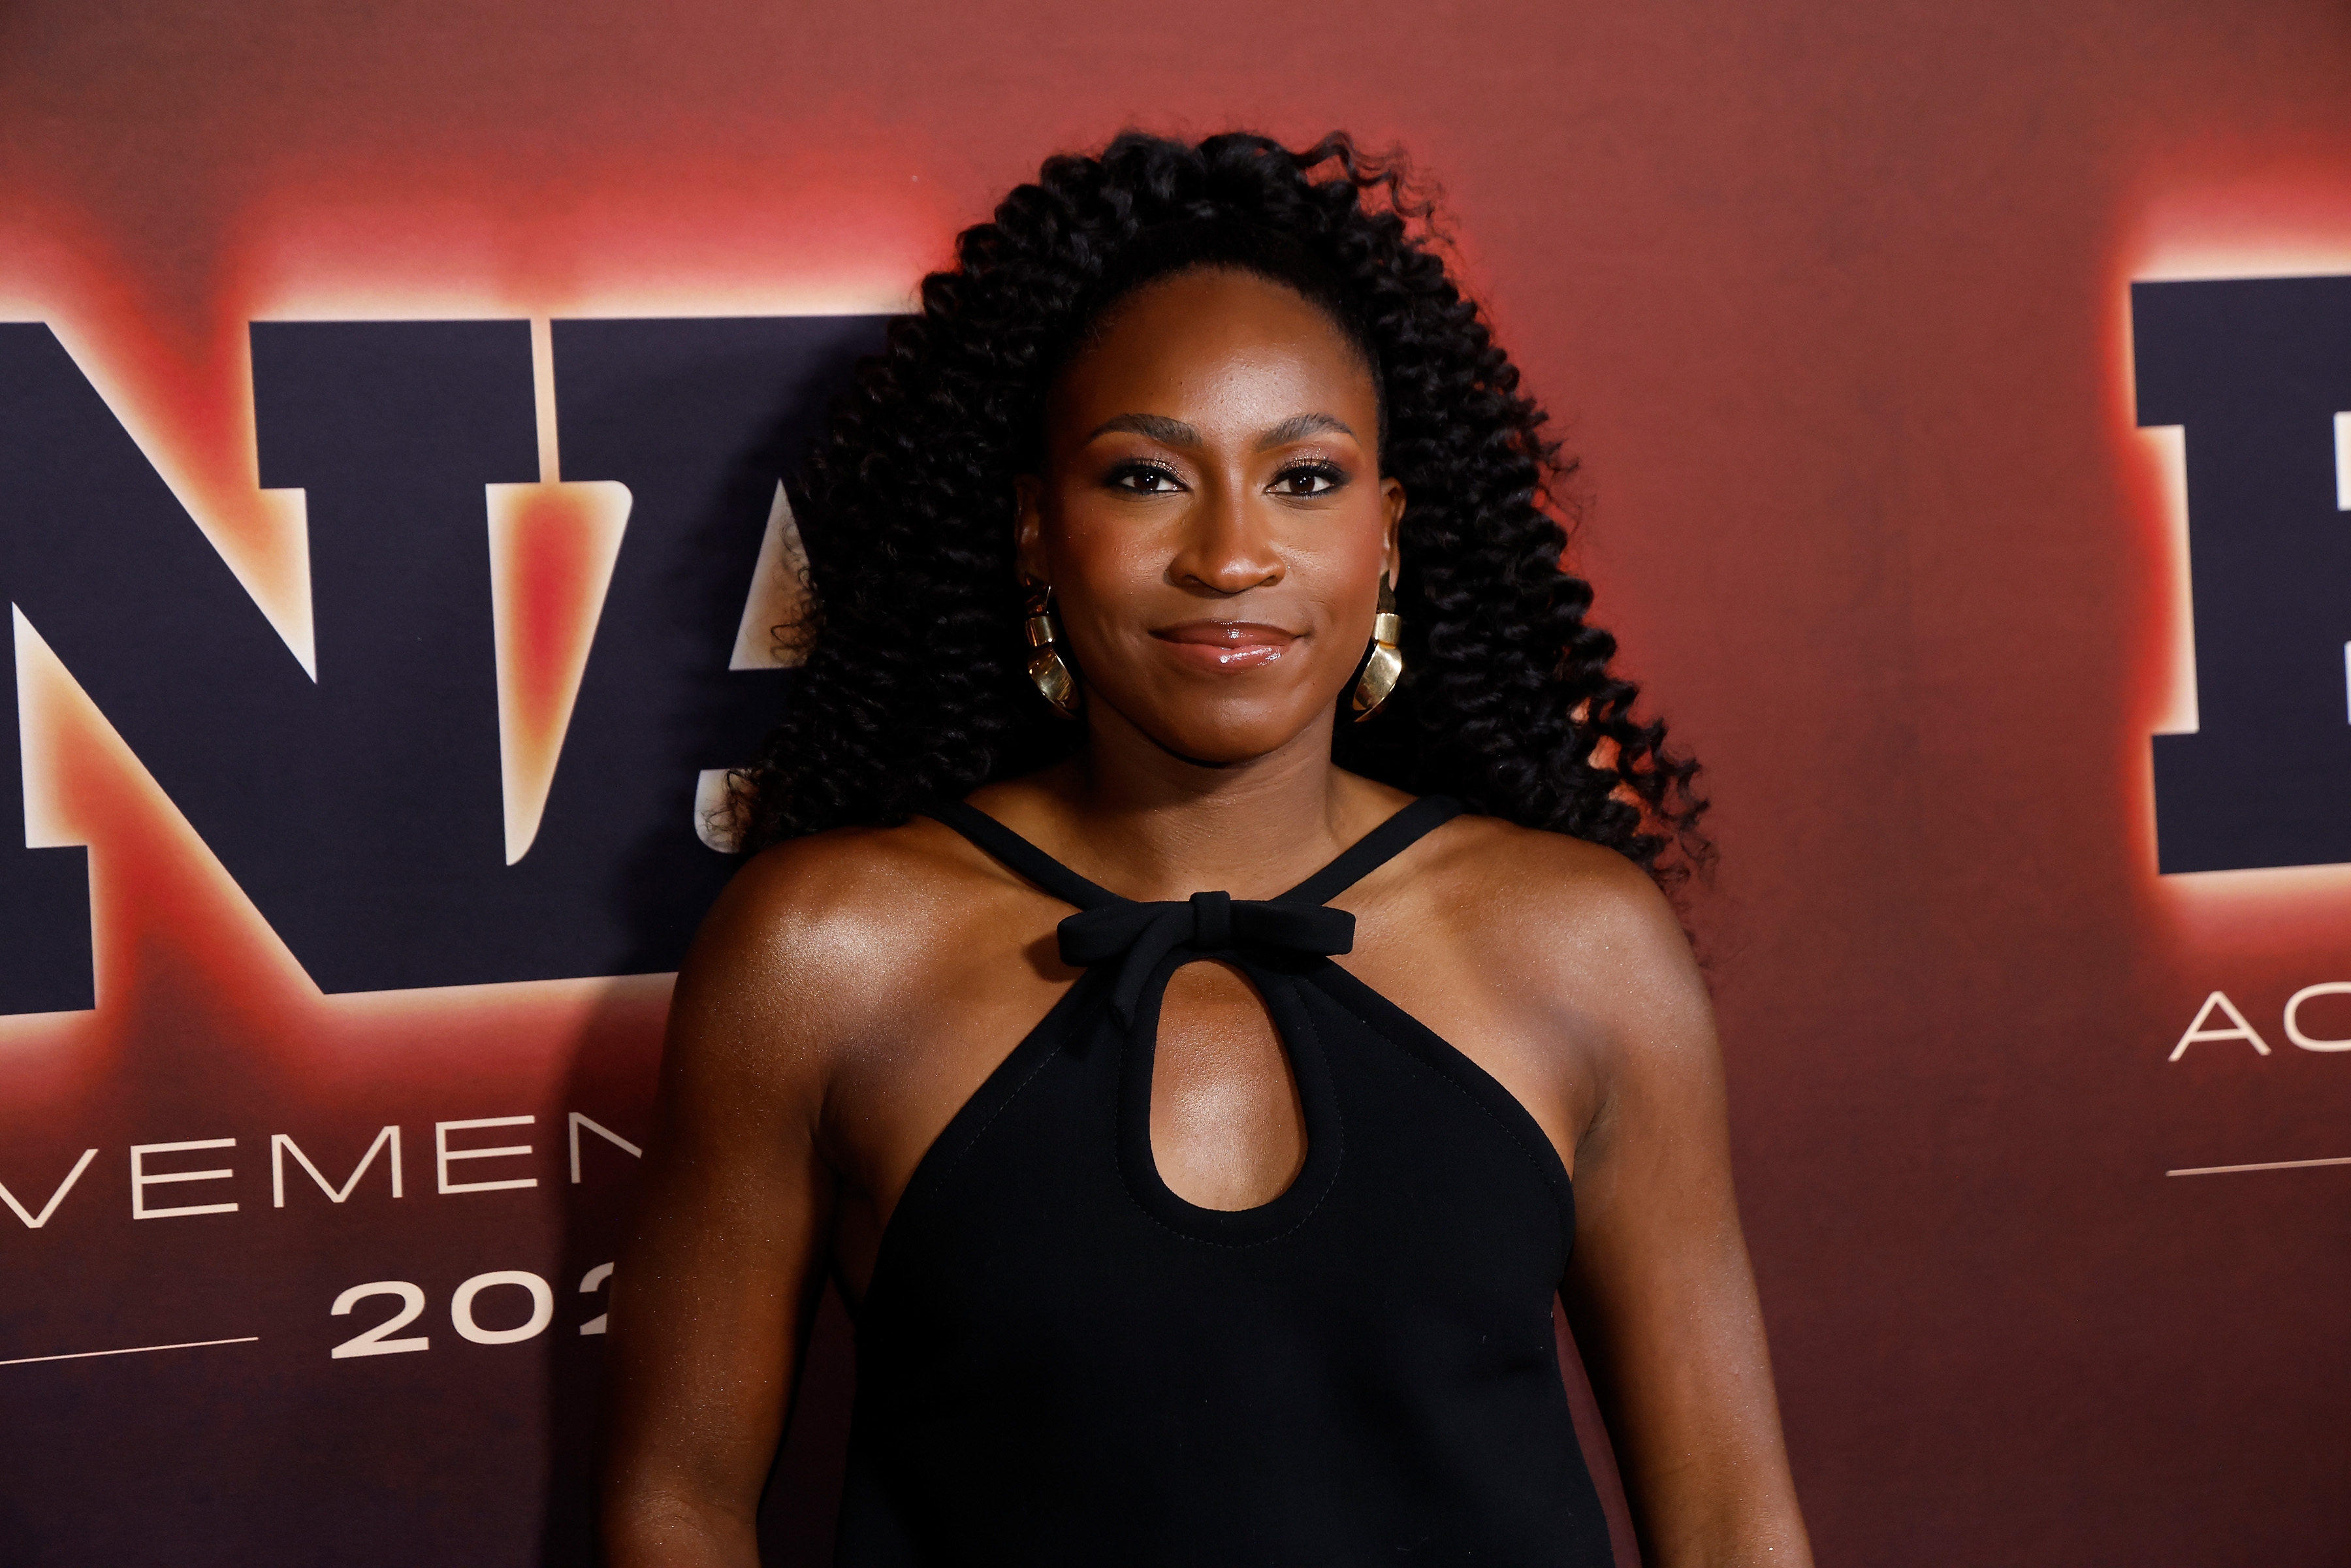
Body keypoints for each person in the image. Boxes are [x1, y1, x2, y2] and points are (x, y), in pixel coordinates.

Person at [598, 130, 1810, 1567]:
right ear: (1036, 529)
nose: (1232, 555)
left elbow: (1733, 1523)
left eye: (1305, 478)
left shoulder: (1581, 940)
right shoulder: (824, 952)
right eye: (1145, 478)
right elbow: (677, 1505)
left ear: (1390, 536)